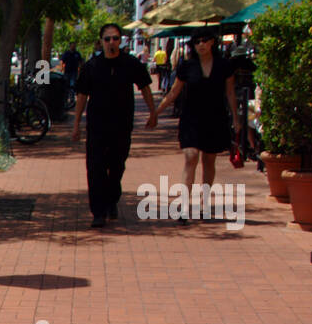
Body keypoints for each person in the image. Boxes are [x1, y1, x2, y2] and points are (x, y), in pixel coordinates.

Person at [71, 22, 158, 228]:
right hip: (97, 125)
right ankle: (98, 212)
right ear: (101, 42)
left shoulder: (130, 63)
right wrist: (76, 124)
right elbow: (82, 95)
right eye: (107, 39)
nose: (111, 42)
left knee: (117, 165)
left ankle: (111, 198)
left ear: (121, 41)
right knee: (95, 168)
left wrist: (153, 112)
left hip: (122, 124)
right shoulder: (91, 67)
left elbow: (145, 87)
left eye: (115, 38)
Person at [148, 32, 239, 223]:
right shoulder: (187, 67)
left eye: (204, 40)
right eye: (196, 42)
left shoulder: (224, 66)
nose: (201, 45)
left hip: (215, 118)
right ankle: (184, 205)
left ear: (212, 41)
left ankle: (204, 203)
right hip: (191, 118)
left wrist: (236, 119)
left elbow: (230, 93)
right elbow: (173, 92)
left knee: (209, 160)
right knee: (191, 157)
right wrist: (156, 112)